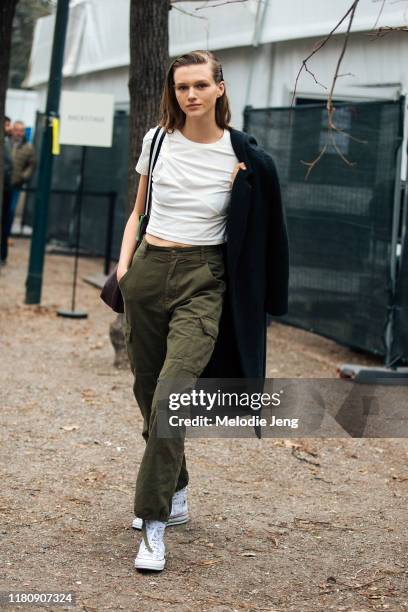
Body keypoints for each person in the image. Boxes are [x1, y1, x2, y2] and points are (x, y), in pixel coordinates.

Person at [116, 50, 289, 572]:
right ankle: (179, 486)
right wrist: (124, 270)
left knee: (171, 395)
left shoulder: (246, 159)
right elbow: (138, 210)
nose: (189, 95)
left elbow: (267, 232)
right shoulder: (156, 140)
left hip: (203, 279)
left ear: (219, 88)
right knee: (148, 393)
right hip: (148, 270)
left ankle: (153, 522)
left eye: (198, 85)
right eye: (181, 87)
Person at [7, 120, 36, 238]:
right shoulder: (6, 143)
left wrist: (23, 177)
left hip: (15, 184)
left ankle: (6, 235)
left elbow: (32, 165)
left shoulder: (28, 148)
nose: (19, 133)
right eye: (17, 130)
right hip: (3, 183)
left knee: (11, 211)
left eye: (21, 131)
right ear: (13, 130)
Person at [1, 117, 13, 264]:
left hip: (7, 187)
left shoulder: (7, 142)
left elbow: (9, 164)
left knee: (5, 221)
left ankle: (3, 254)